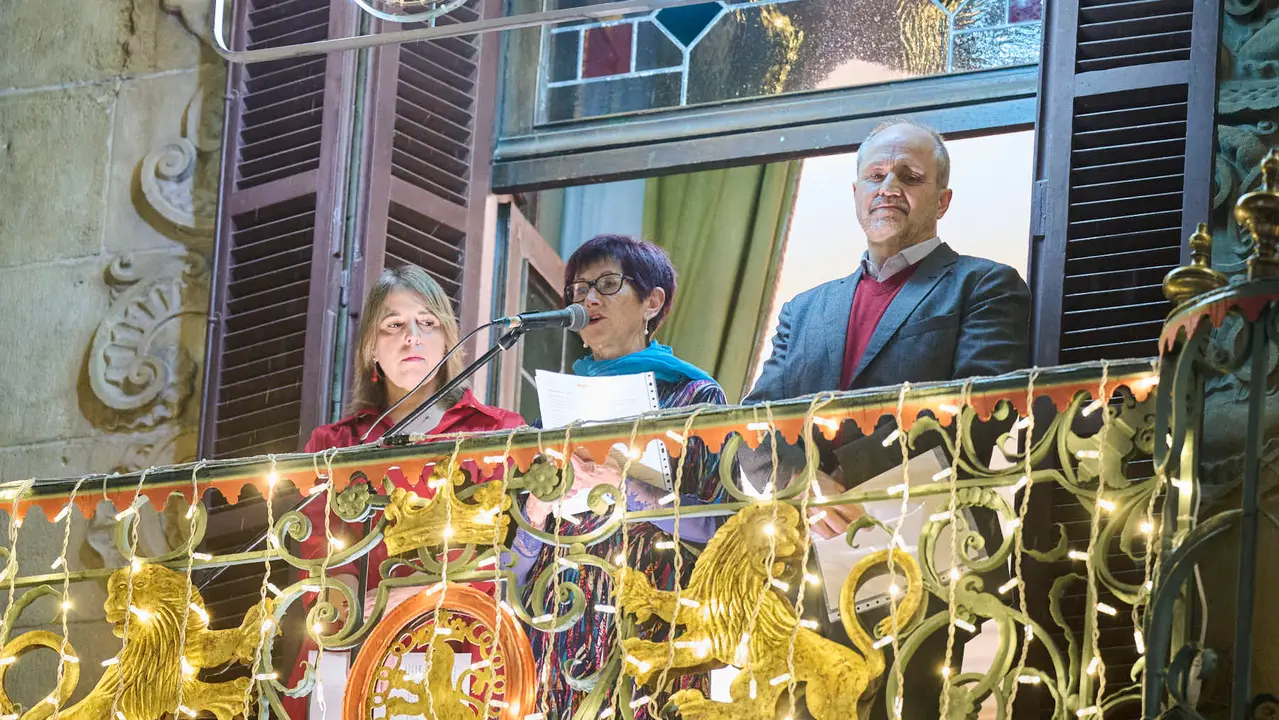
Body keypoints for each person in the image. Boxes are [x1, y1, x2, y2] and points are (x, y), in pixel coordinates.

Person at [744, 118, 1031, 719]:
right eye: (875, 175)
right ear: (854, 194)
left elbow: (981, 419)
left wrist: (849, 486)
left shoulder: (985, 285)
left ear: (942, 199)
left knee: (909, 706)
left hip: (926, 552)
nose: (889, 186)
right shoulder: (803, 308)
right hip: (806, 564)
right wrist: (806, 488)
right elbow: (754, 429)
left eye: (910, 176)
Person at [282, 265, 524, 719]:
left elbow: (519, 549)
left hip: (468, 645)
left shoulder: (499, 432)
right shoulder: (335, 444)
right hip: (357, 644)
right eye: (393, 325)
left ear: (449, 339)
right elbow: (321, 558)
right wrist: (358, 613)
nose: (412, 336)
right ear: (372, 349)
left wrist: (410, 597)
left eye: (427, 323)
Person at [512, 234, 726, 720]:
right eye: (579, 289)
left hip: (651, 618)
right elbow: (514, 563)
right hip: (557, 622)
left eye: (608, 284)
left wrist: (629, 487)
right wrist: (538, 506)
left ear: (653, 302)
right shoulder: (554, 411)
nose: (588, 300)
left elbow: (714, 528)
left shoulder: (693, 396)